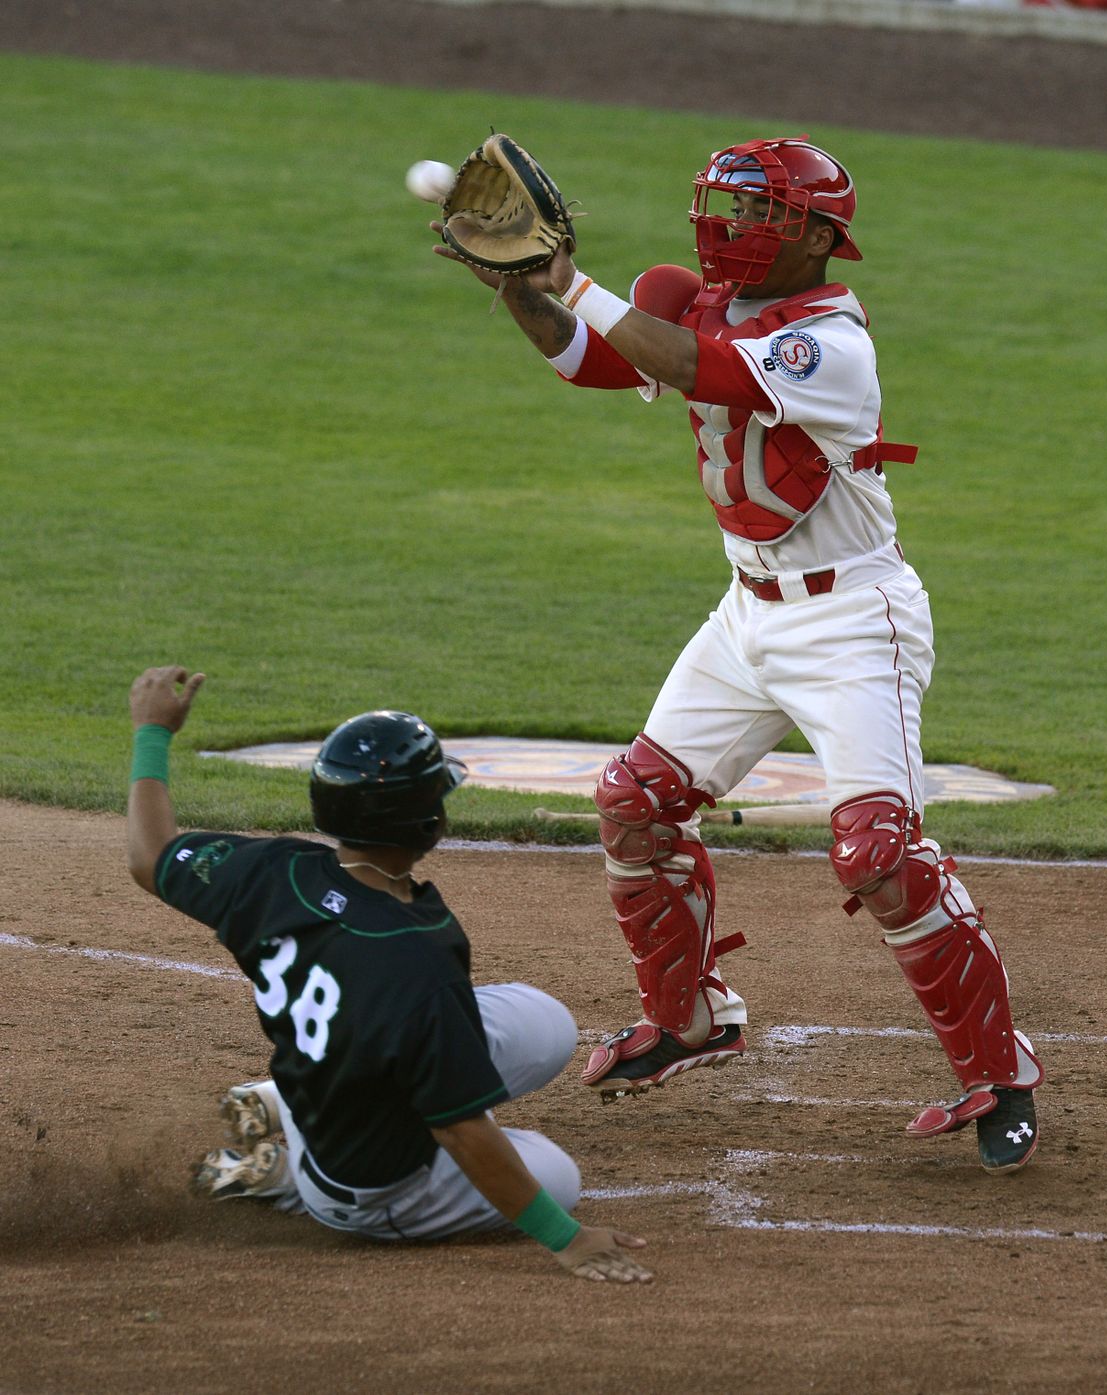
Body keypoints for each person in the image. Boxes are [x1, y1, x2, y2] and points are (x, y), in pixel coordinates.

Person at [434, 136, 1044, 1174]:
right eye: (721, 201)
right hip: (746, 615)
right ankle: (691, 1017)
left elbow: (698, 367)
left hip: (854, 623)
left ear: (814, 234)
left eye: (752, 209)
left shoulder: (830, 340)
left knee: (879, 855)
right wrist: (518, 290)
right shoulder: (689, 294)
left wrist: (568, 278)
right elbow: (591, 361)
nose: (723, 225)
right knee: (634, 800)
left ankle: (1001, 1072)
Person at [125, 665, 652, 1281]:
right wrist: (566, 1238)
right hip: (371, 1190)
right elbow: (459, 1131)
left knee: (549, 1024)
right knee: (558, 1177)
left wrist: (152, 733)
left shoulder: (271, 870)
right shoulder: (416, 954)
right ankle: (290, 1177)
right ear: (427, 822)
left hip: (326, 1085)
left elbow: (149, 856)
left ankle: (280, 1108)